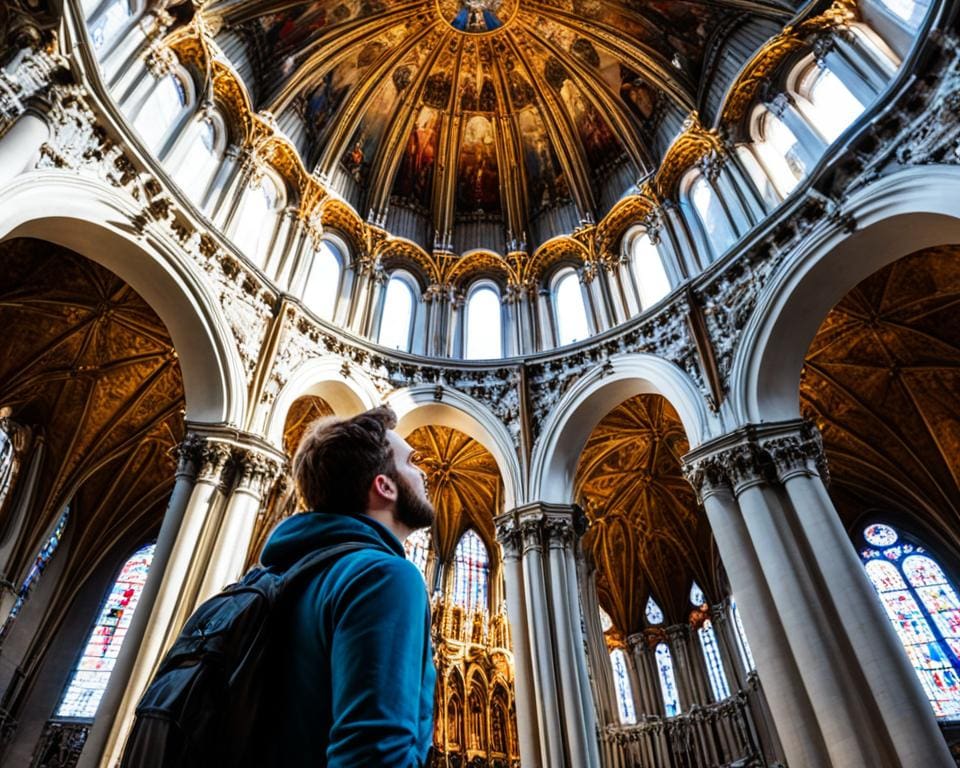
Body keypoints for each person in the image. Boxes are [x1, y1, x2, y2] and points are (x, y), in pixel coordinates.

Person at [258, 406, 436, 766]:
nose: (423, 475)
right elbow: (374, 755)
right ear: (384, 486)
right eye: (412, 463)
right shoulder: (382, 577)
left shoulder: (281, 574)